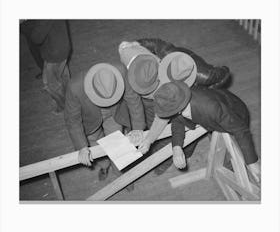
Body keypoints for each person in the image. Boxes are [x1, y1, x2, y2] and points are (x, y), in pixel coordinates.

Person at [119, 40, 231, 174]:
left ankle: (185, 153)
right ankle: (164, 157)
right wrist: (136, 42)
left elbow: (162, 117)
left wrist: (210, 91)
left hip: (198, 90)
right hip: (166, 84)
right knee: (165, 124)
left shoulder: (204, 76)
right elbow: (153, 44)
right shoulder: (129, 54)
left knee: (190, 126)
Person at [151, 81, 261, 183]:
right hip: (213, 118)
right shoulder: (178, 101)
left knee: (230, 153)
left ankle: (232, 176)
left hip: (235, 115)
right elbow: (177, 123)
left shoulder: (211, 107)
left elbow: (240, 129)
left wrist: (252, 162)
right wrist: (176, 147)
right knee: (218, 144)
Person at [64, 62, 145, 181]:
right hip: (88, 121)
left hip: (114, 113)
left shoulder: (121, 71)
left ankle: (120, 174)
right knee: (95, 146)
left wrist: (138, 127)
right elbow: (72, 120)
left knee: (116, 144)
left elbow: (133, 99)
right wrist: (82, 146)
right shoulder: (75, 87)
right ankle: (104, 165)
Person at [21, 20, 72, 113]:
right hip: (64, 47)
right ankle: (72, 98)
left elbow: (36, 38)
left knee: (49, 83)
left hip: (54, 54)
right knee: (64, 76)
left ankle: (63, 106)